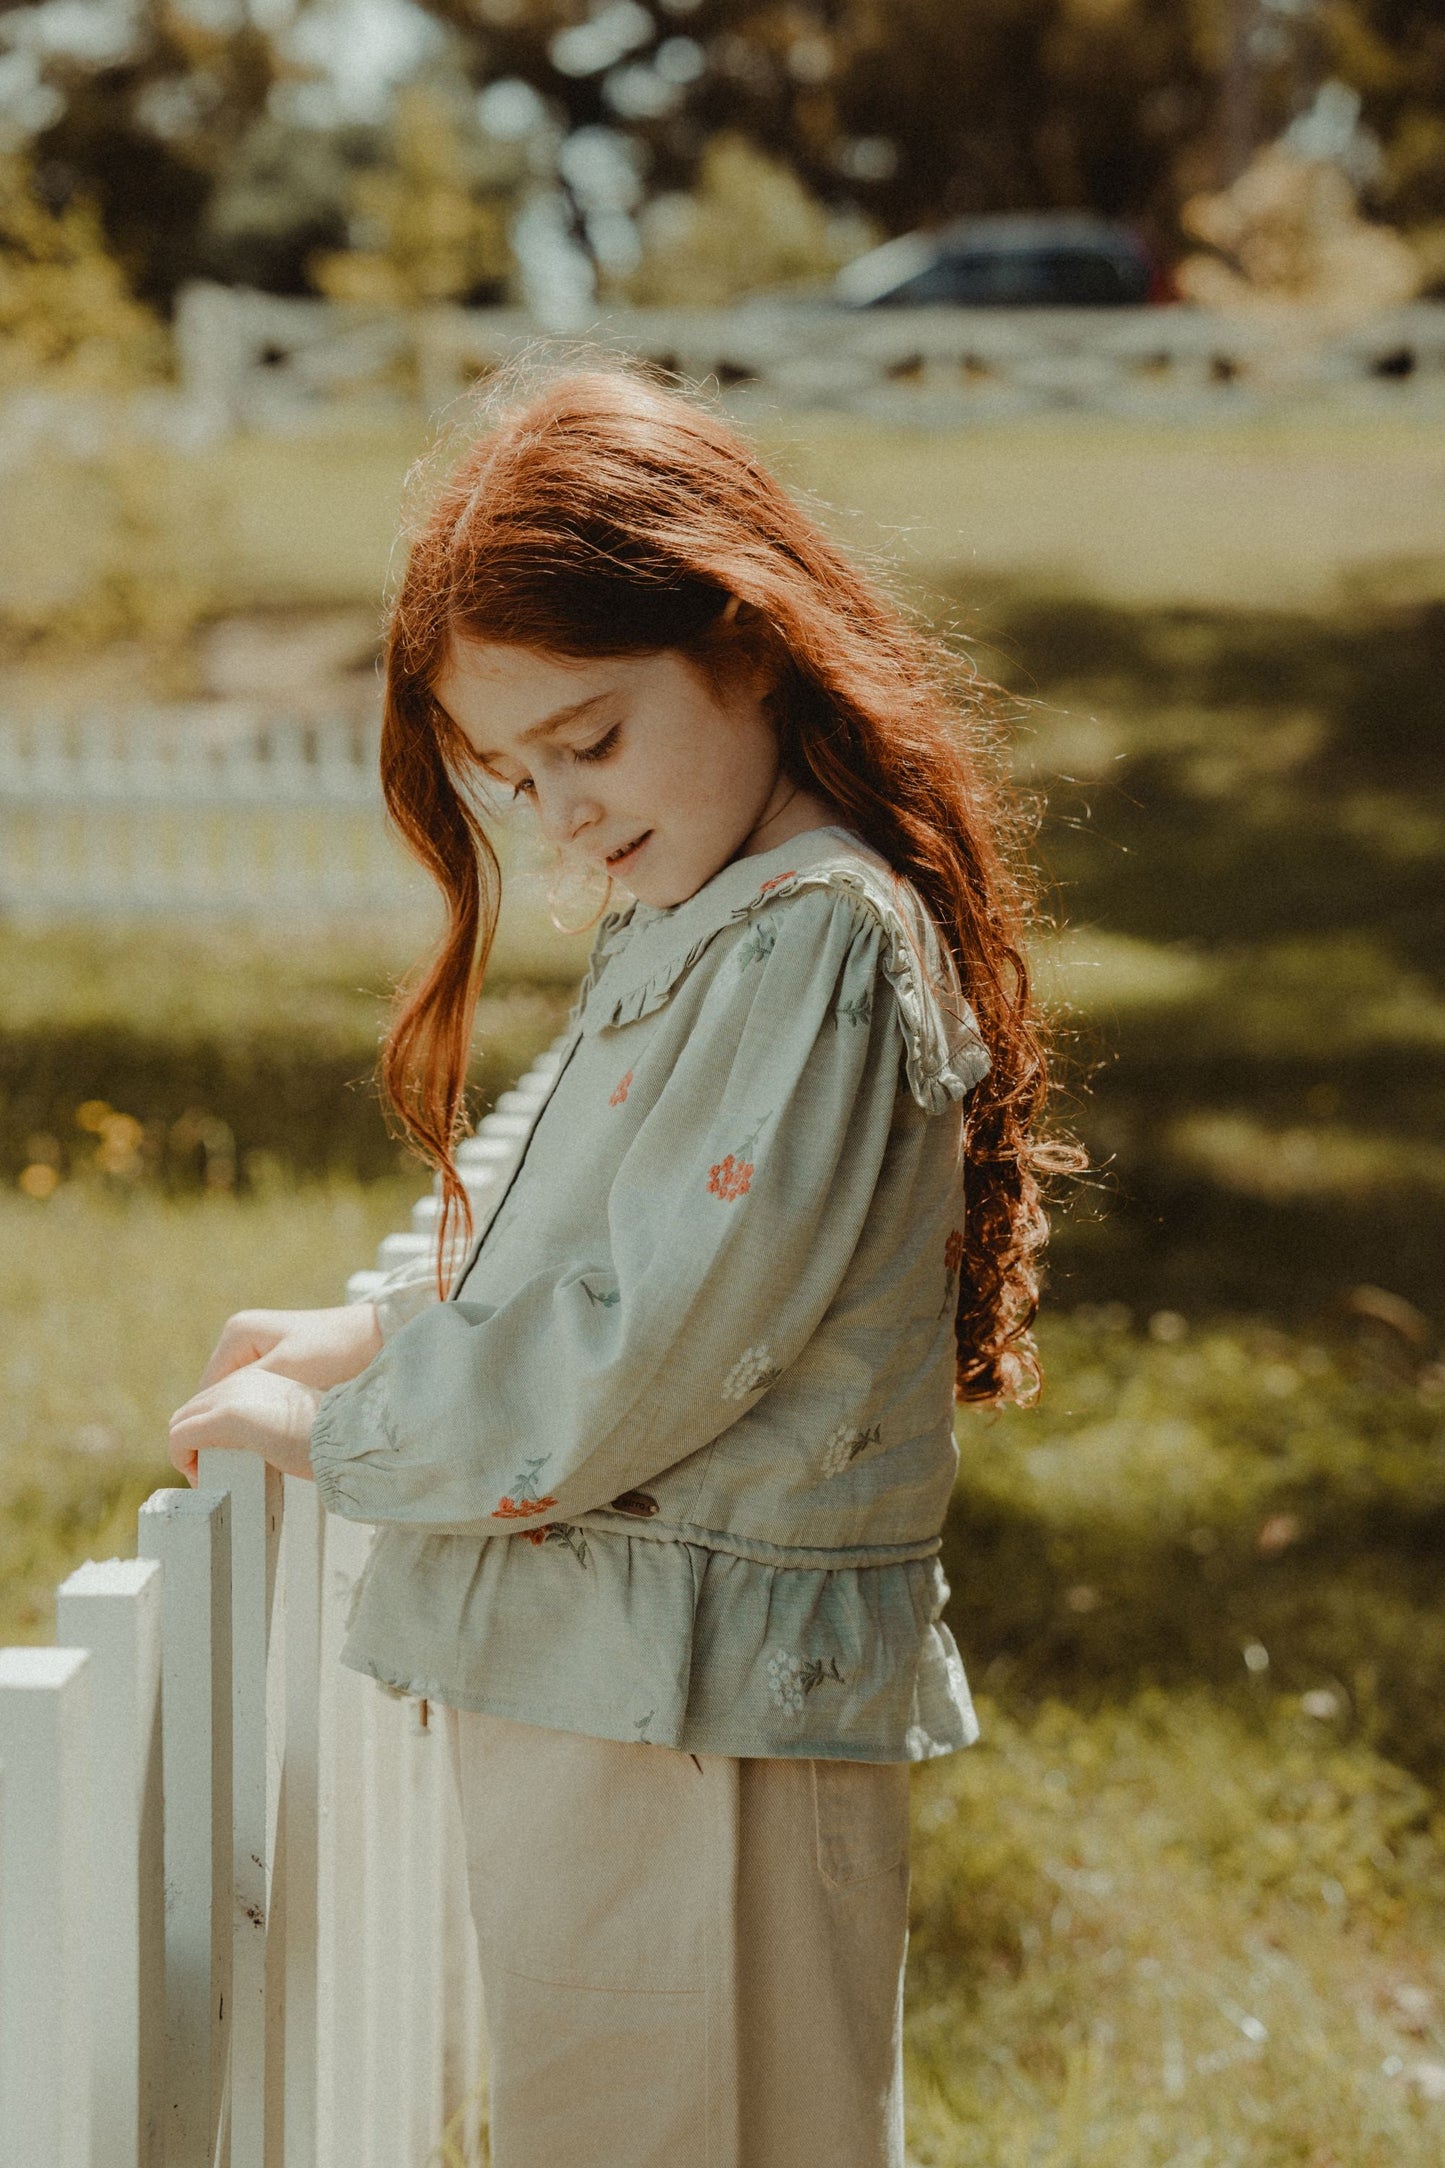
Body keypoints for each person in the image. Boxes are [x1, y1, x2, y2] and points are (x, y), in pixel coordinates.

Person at [168, 364, 1076, 2168]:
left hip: (689, 1702)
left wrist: (333, 1430)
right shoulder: (717, 910)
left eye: (588, 739)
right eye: (515, 777)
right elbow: (629, 1256)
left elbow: (646, 1351)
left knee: (688, 2133)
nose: (561, 813)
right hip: (635, 1675)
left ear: (745, 643)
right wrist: (371, 1333)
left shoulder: (808, 936)